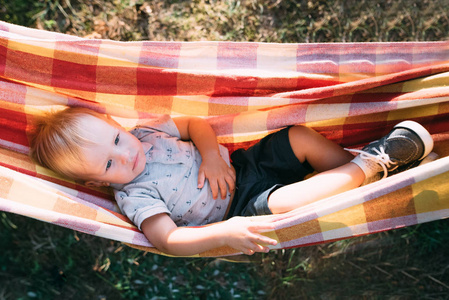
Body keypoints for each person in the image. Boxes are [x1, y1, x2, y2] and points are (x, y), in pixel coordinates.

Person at [29, 107, 434, 256]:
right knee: (288, 202)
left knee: (299, 138)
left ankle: (373, 165)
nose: (125, 154)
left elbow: (193, 123)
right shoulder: (134, 196)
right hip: (238, 209)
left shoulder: (146, 133)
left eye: (116, 139)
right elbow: (168, 240)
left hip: (243, 166)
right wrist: (227, 230)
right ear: (95, 183)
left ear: (115, 123)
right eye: (108, 165)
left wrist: (210, 155)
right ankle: (375, 167)